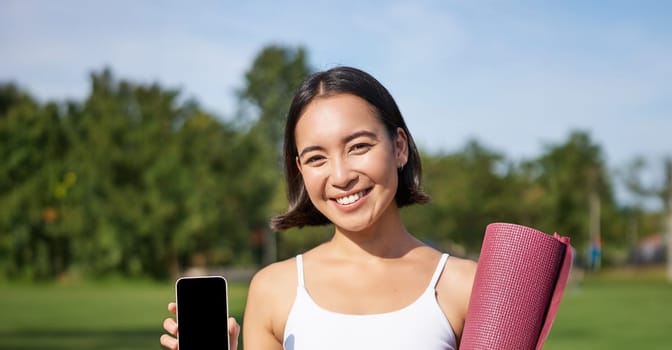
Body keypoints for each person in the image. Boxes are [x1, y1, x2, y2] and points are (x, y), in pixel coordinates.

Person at [160, 66, 477, 350]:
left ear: (399, 147)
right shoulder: (273, 290)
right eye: (316, 158)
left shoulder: (466, 286)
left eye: (358, 147)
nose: (341, 176)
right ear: (300, 170)